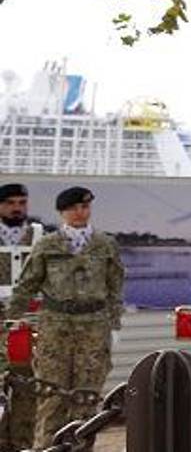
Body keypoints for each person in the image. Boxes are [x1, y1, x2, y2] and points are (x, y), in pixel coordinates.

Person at [5, 187, 125, 448]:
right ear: (62, 213)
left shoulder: (105, 245)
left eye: (85, 207)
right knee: (51, 394)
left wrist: (114, 325)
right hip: (55, 326)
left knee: (87, 397)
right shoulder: (47, 245)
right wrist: (11, 321)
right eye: (73, 208)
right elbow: (26, 285)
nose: (80, 213)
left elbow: (115, 288)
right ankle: (46, 448)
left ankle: (81, 448)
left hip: (94, 325)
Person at [0, 183, 46, 452]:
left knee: (27, 385)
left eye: (21, 202)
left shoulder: (39, 236)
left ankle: (22, 445)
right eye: (10, 203)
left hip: (27, 322)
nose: (17, 208)